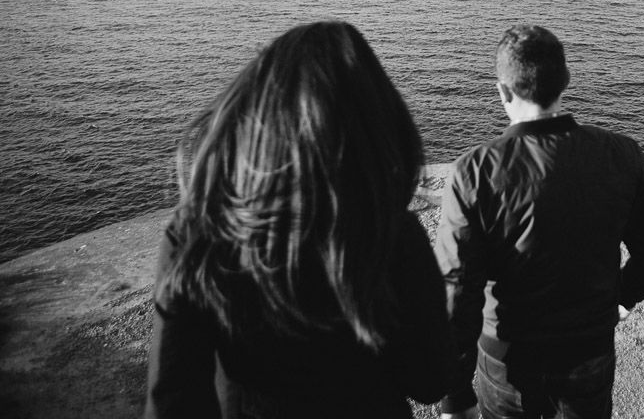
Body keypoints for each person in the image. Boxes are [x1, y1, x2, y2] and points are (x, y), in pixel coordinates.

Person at [145, 21, 451, 418]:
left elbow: (173, 401)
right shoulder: (394, 234)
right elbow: (429, 380)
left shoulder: (201, 234)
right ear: (374, 117)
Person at [436, 24, 644, 419]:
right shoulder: (622, 155)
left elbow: (456, 292)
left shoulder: (474, 172)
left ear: (503, 92)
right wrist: (622, 297)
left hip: (505, 362)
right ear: (565, 83)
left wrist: (454, 393)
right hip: (588, 353)